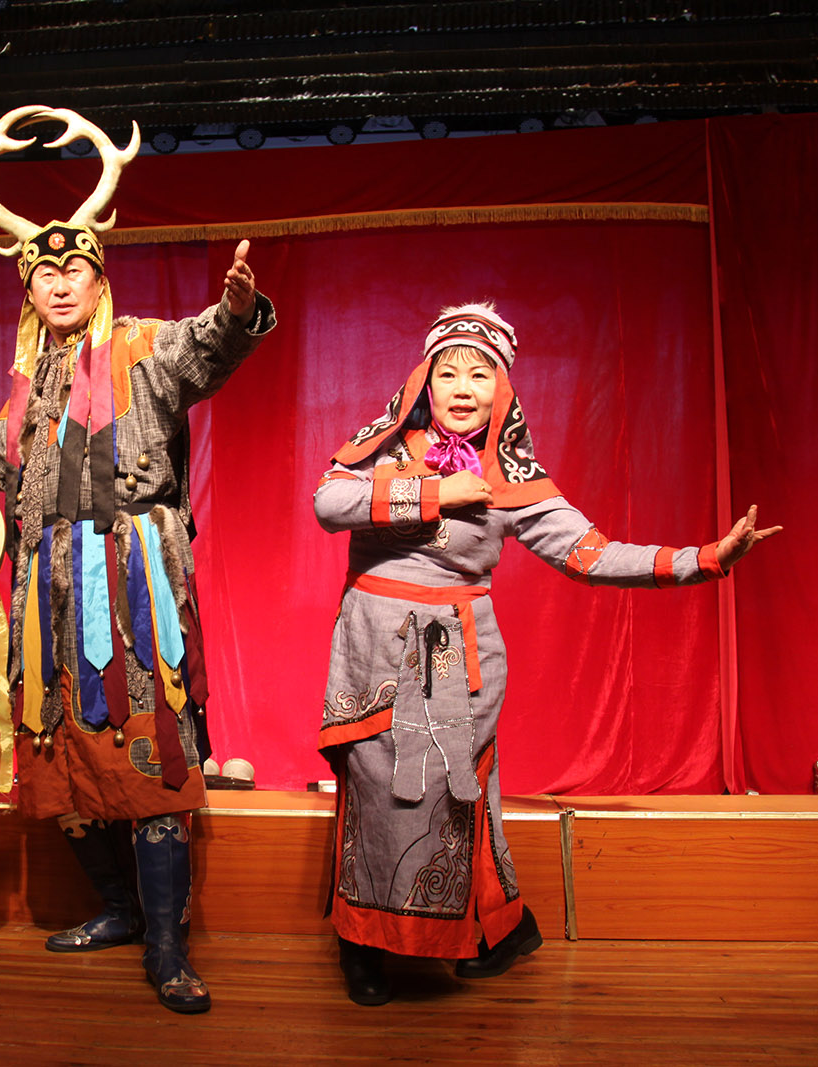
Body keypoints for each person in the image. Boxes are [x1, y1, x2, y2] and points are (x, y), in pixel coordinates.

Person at [313, 304, 778, 1005]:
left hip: (452, 654)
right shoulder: (384, 448)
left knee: (445, 797)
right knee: (374, 788)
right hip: (370, 647)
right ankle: (365, 943)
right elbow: (329, 503)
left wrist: (706, 558)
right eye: (449, 373)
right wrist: (437, 492)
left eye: (480, 375)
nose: (463, 387)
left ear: (502, 392)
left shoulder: (512, 478)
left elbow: (592, 555)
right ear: (424, 383)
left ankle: (471, 932)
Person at [0, 105, 276, 1013]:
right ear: (28, 289)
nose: (59, 283)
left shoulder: (144, 346)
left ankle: (169, 945)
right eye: (43, 273)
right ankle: (118, 907)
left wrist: (236, 313)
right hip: (45, 591)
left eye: (74, 268)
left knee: (150, 750)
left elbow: (208, 348)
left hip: (134, 581)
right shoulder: (28, 384)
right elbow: (13, 474)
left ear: (99, 277)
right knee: (60, 754)